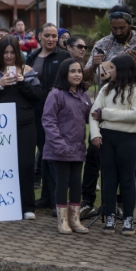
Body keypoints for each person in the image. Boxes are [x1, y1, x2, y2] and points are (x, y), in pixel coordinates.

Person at [81, 6, 136, 213]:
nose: (117, 32)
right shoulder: (102, 44)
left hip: (132, 104)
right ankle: (88, 202)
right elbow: (86, 78)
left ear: (130, 24)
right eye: (114, 28)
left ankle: (118, 204)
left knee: (127, 158)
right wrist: (93, 66)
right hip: (106, 101)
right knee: (94, 154)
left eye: (122, 28)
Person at [0, 35, 42, 220]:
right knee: (2, 165)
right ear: (0, 53)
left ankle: (27, 206)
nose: (8, 56)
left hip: (25, 124)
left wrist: (22, 82)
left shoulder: (28, 70)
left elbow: (38, 95)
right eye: (5, 52)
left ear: (18, 52)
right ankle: (3, 204)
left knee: (26, 164)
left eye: (12, 52)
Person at [89, 55, 136, 235]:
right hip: (107, 138)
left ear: (122, 69)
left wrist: (105, 113)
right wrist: (95, 134)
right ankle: (110, 216)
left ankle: (128, 219)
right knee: (109, 179)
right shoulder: (106, 89)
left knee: (127, 180)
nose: (109, 71)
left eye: (112, 67)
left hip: (128, 139)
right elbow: (93, 113)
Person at [42, 59, 91, 234]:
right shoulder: (56, 94)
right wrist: (60, 144)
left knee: (76, 184)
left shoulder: (84, 96)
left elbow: (88, 116)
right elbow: (48, 120)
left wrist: (99, 113)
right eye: (73, 71)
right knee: (62, 183)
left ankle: (75, 220)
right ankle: (62, 221)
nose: (77, 74)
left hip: (77, 149)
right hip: (59, 149)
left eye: (79, 71)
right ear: (64, 73)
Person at [25, 23, 71, 209]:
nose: (51, 39)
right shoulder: (32, 57)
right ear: (39, 36)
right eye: (47, 35)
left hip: (57, 113)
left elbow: (71, 81)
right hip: (35, 111)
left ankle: (56, 200)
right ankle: (45, 197)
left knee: (54, 155)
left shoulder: (63, 57)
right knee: (44, 153)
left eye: (54, 36)